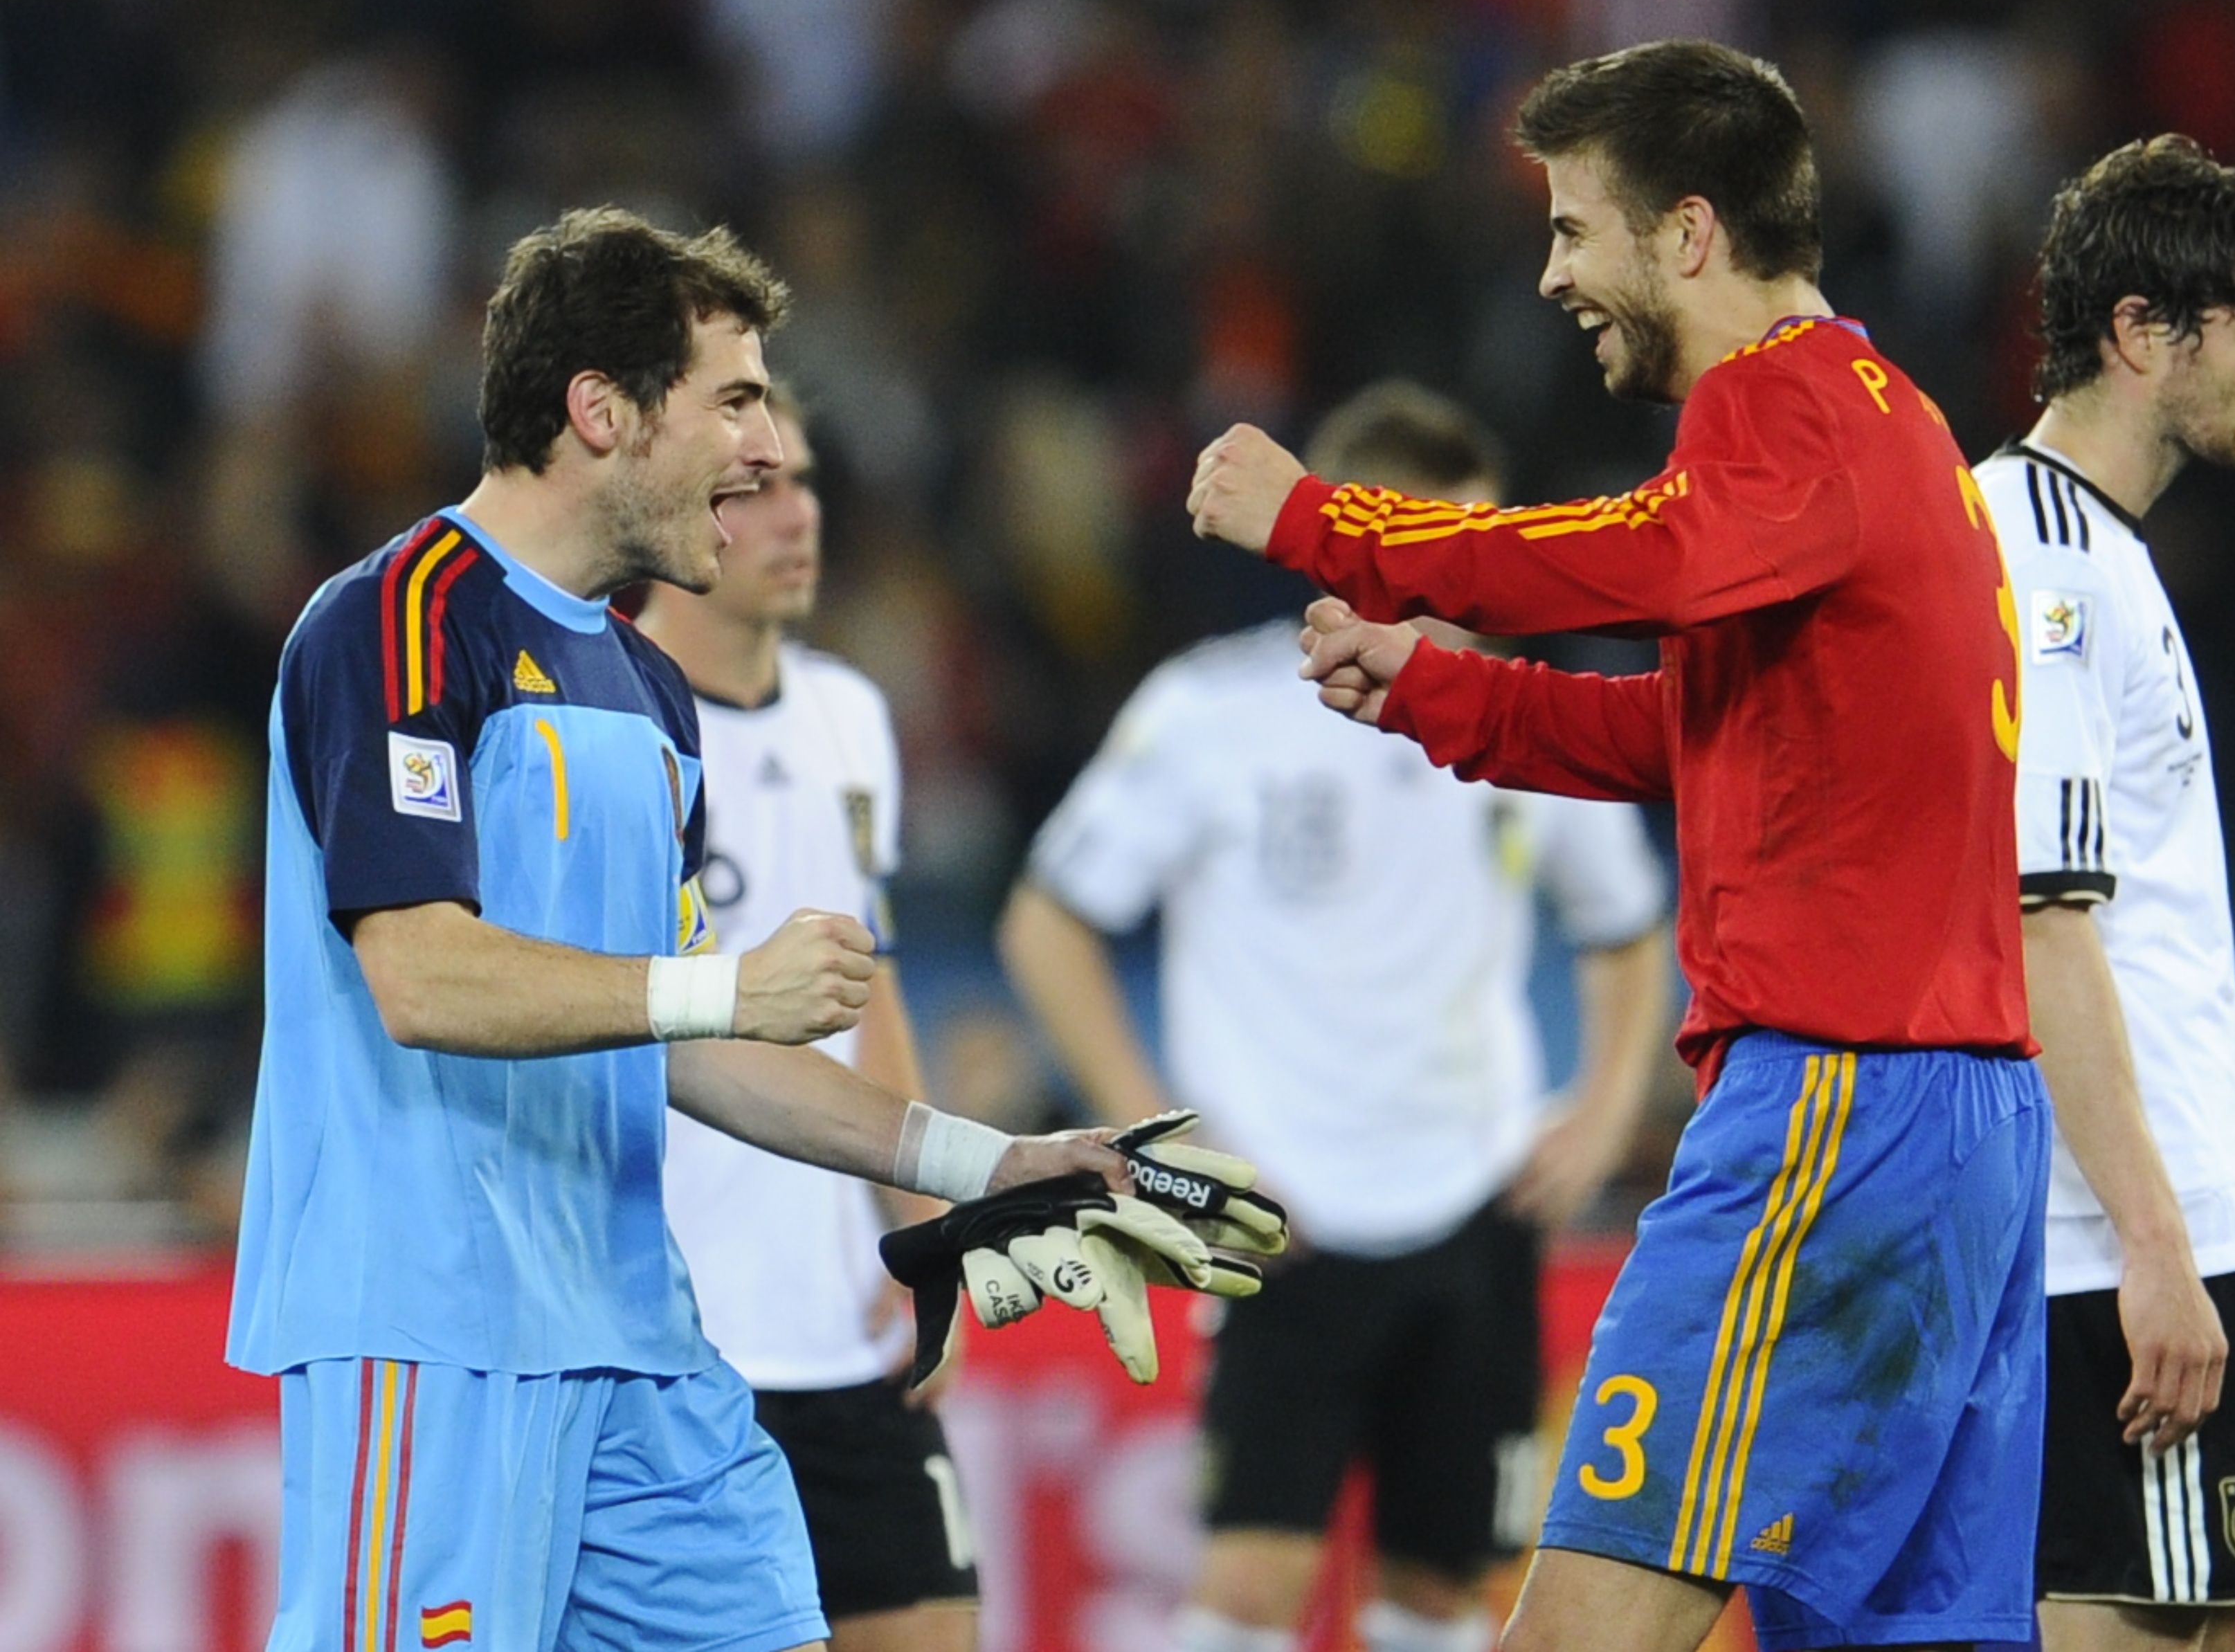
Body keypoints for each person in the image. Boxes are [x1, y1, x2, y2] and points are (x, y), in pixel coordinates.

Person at [1188, 40, 2045, 1652]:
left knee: (1579, 1630)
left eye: (1578, 227)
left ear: (1691, 233)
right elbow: (1697, 741)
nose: (1553, 272)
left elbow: (1648, 554)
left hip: (1836, 1104)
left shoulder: (1783, 413)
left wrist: (1331, 525)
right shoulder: (1885, 422)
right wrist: (1447, 693)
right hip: (1960, 1123)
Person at [227, 207, 1132, 1652]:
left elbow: (695, 1043)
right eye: (732, 400)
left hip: (637, 1338)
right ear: (602, 411)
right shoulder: (395, 621)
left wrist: (991, 1164)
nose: (761, 450)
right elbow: (420, 970)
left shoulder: (647, 692)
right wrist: (716, 983)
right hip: (432, 1327)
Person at [999, 379, 1676, 1652]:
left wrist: (1600, 1110)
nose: (1470, 581)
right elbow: (1047, 923)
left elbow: (1627, 923)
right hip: (1278, 1219)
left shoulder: (1518, 718)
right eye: (1441, 544)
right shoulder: (1216, 716)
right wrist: (1158, 1143)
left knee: (1439, 1595)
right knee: (1249, 1589)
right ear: (1354, 537)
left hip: (1475, 1210)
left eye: (1483, 544)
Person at [1973, 135, 2235, 1651]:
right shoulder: (2045, 570)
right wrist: (2153, 1248)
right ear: (2141, 332)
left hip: (2159, 1225)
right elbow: (2044, 929)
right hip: (2109, 1248)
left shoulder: (2101, 555)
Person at [637, 392, 979, 1652]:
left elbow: (867, 981)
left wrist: (926, 1232)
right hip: (684, 1337)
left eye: (806, 481)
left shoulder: (849, 717)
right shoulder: (610, 722)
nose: (799, 515)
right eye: (756, 488)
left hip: (845, 1322)